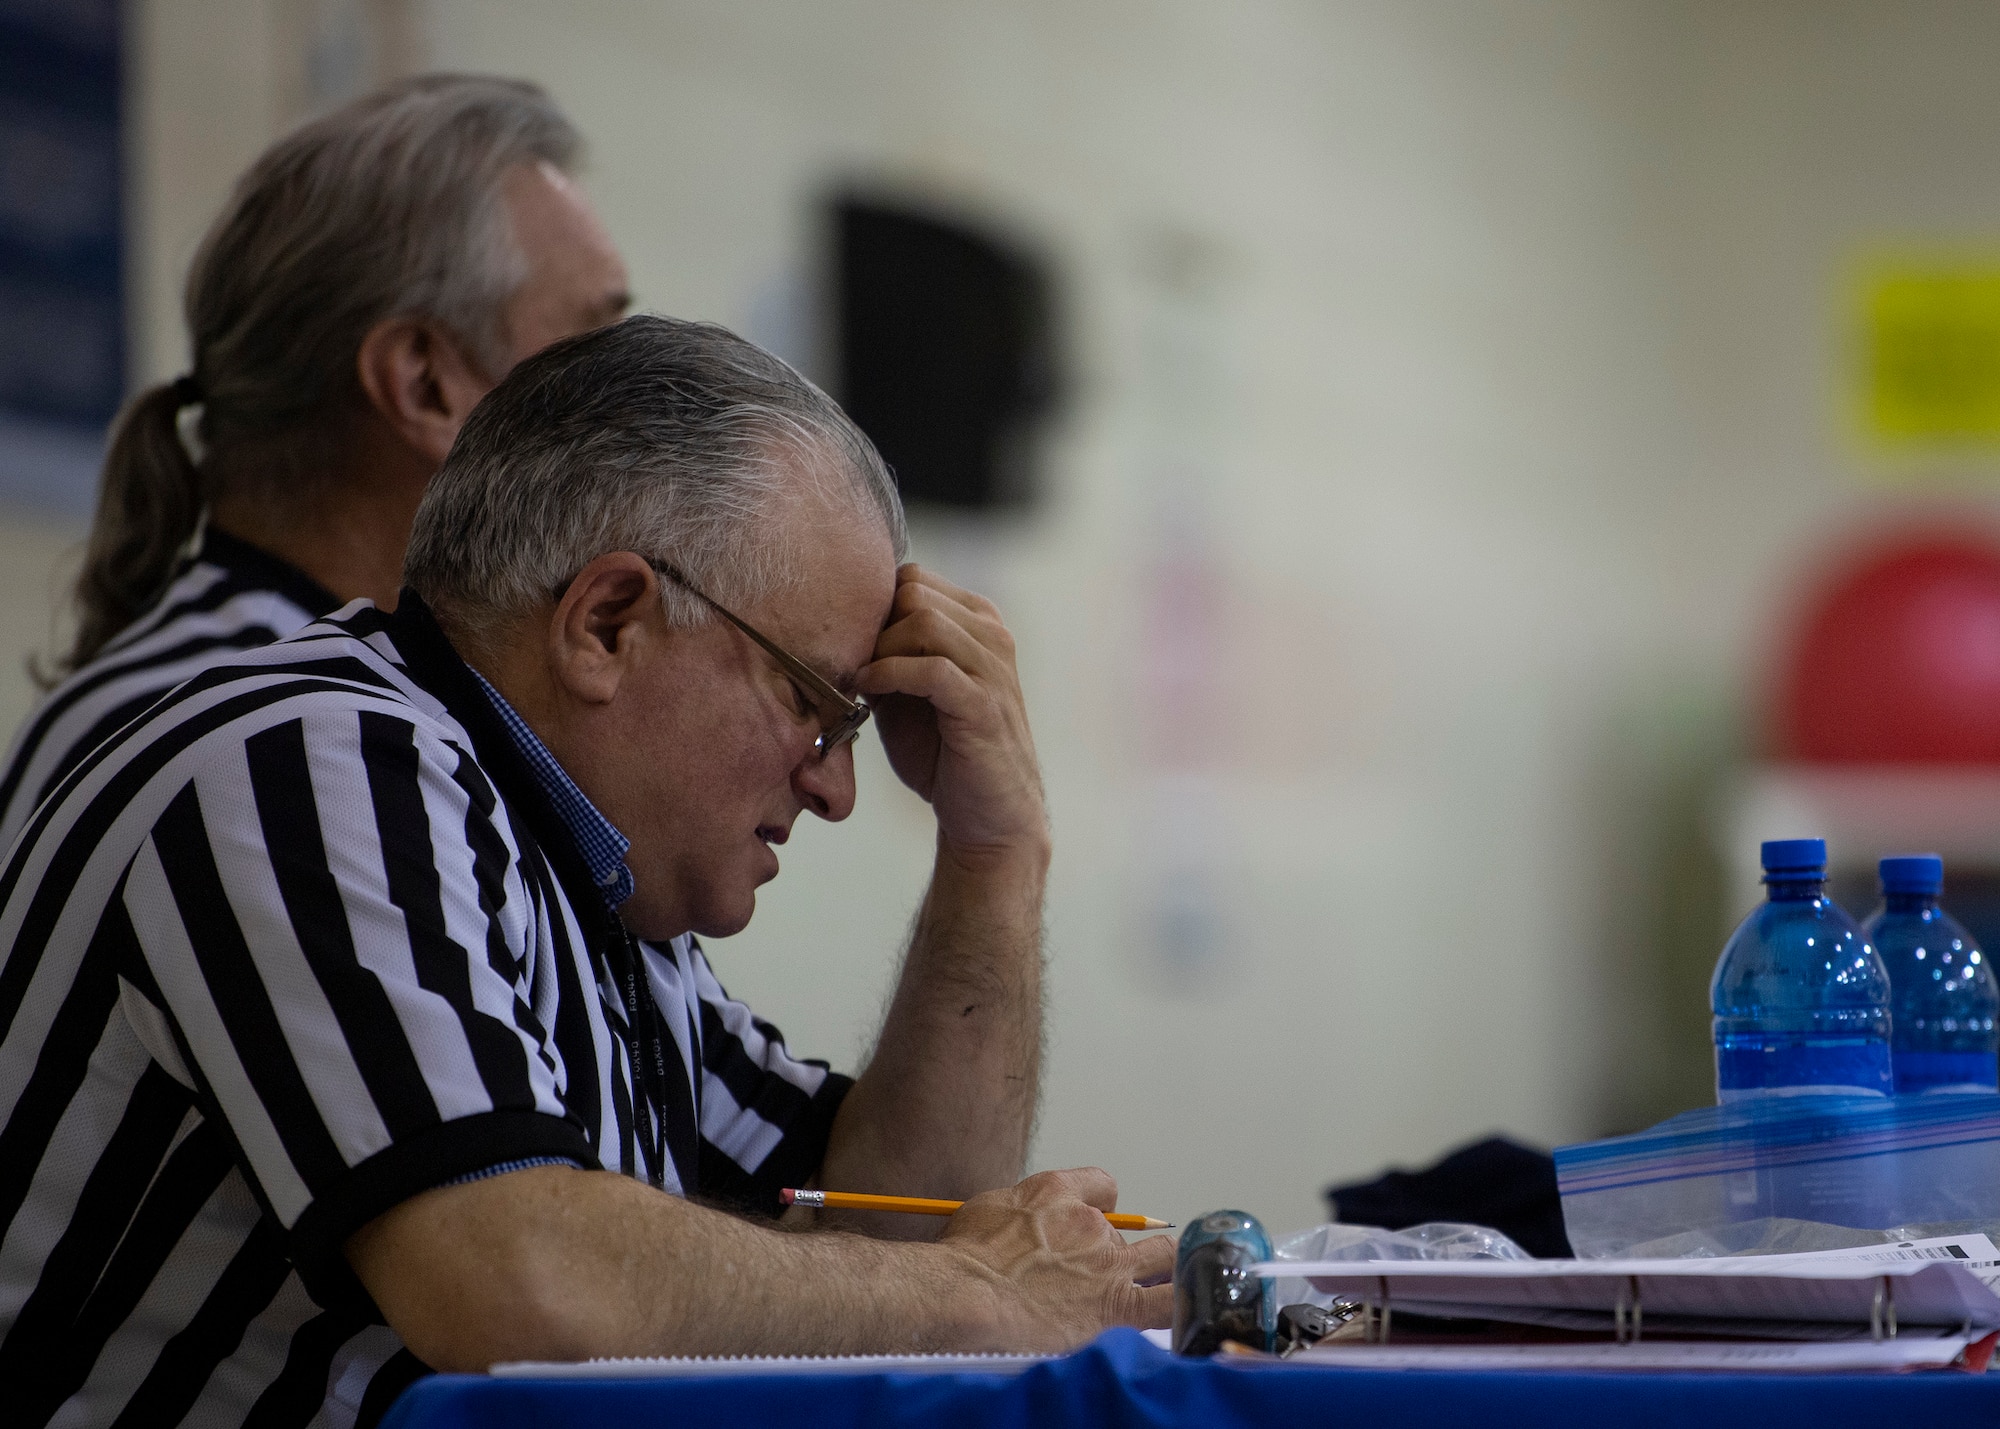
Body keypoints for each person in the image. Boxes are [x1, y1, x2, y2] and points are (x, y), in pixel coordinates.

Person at [0, 315, 1170, 1428]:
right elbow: (516, 1282)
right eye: (813, 707)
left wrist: (994, 854)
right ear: (607, 621)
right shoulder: (309, 766)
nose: (835, 789)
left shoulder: (597, 887)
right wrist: (986, 1290)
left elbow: (883, 1232)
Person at [0, 73, 629, 849]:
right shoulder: (272, 749)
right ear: (425, 384)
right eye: (593, 348)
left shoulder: (391, 708)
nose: (634, 408)